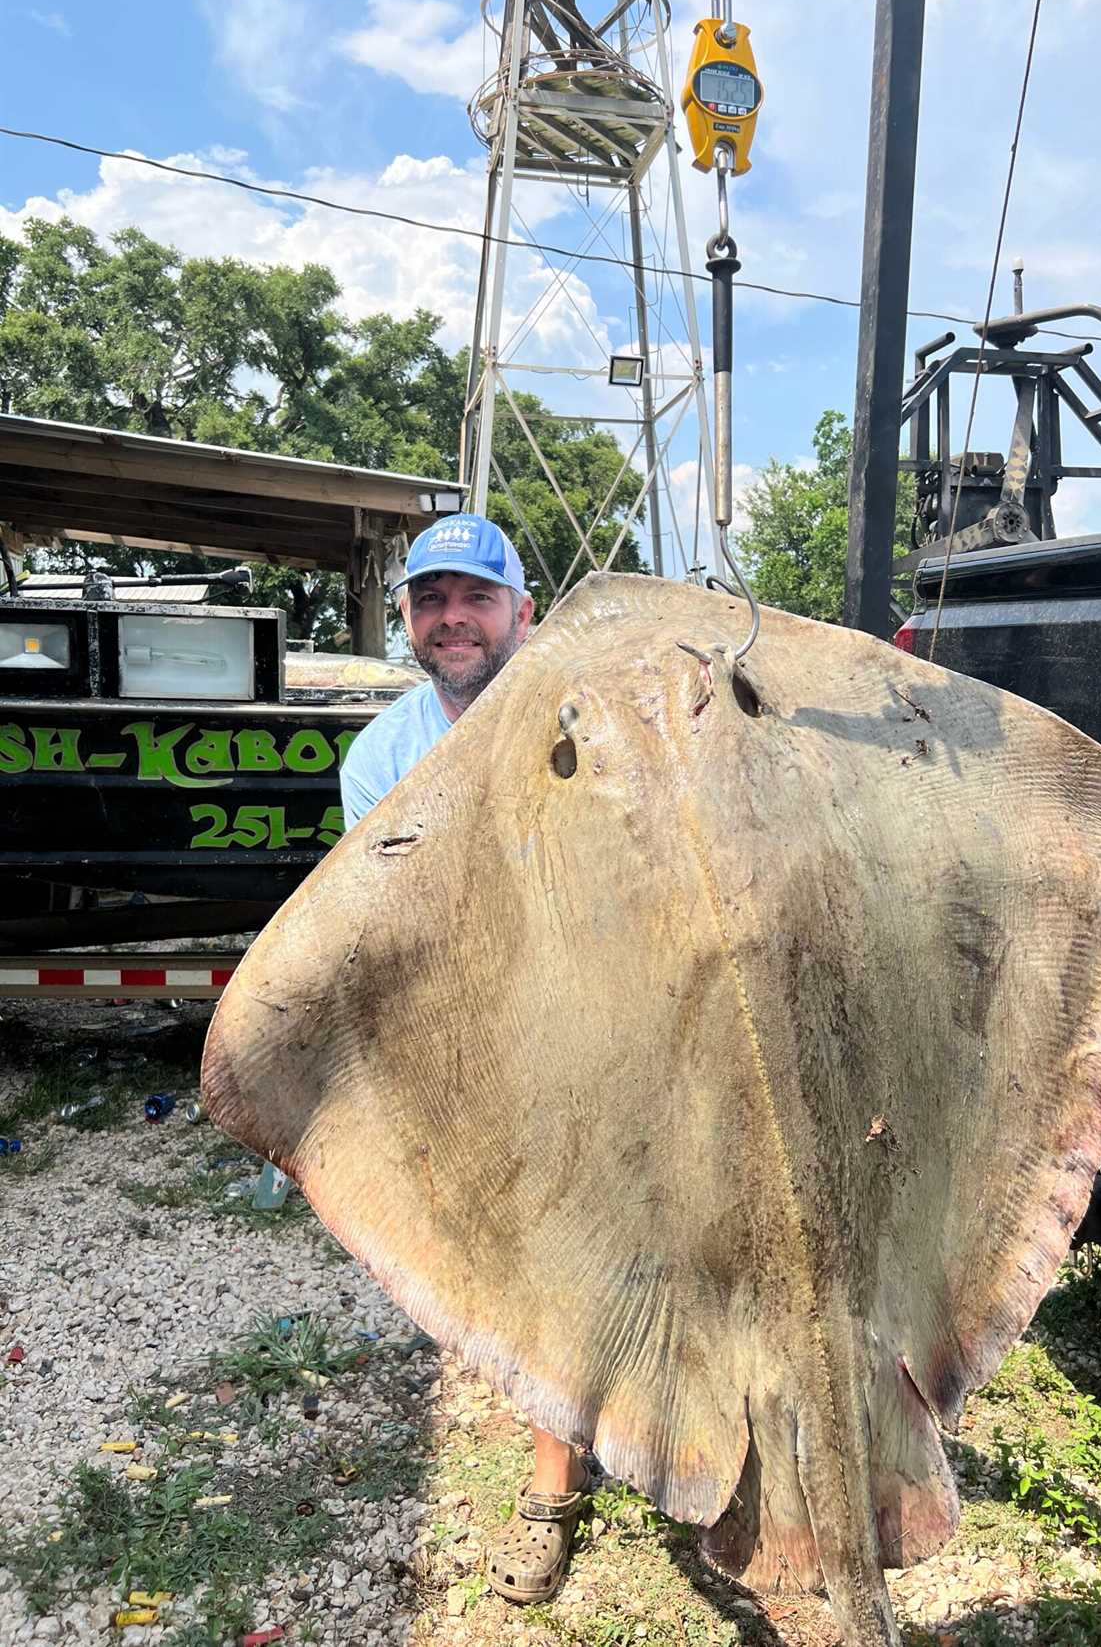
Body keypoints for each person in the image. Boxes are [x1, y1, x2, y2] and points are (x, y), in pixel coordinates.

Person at [339, 512, 589, 1606]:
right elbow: (382, 922)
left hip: (606, 1018)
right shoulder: (382, 755)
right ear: (404, 617)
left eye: (474, 599)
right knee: (531, 1266)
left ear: (520, 615)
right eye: (429, 600)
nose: (452, 620)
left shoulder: (593, 718)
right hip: (476, 1038)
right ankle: (553, 1487)